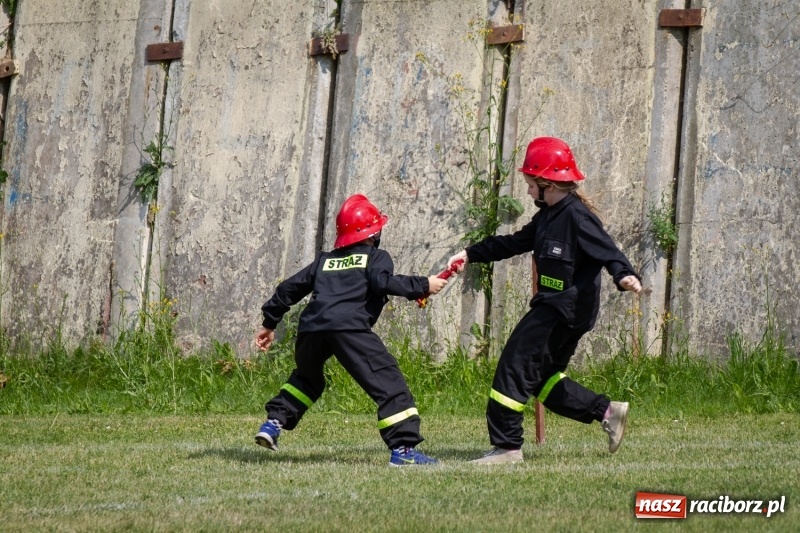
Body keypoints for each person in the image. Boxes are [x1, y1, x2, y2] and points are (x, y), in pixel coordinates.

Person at [447, 136, 643, 464]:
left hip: (562, 309)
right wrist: (469, 253)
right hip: (559, 308)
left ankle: (507, 448)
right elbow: (514, 243)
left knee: (514, 365)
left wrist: (623, 274)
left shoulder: (577, 216)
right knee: (542, 379)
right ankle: (607, 411)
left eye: (529, 184)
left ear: (546, 183)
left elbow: (608, 249)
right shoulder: (548, 215)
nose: (527, 192)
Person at [254, 193, 447, 466]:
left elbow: (289, 288)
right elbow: (382, 283)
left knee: (307, 380)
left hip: (312, 329)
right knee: (389, 383)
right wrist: (423, 285)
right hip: (349, 329)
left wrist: (269, 324)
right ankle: (404, 452)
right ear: (374, 232)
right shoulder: (376, 257)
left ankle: (274, 423)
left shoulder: (325, 261)